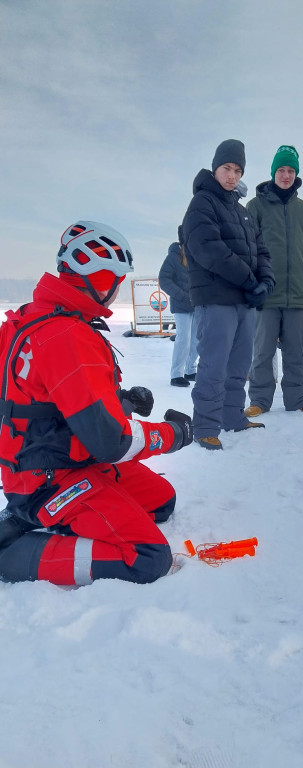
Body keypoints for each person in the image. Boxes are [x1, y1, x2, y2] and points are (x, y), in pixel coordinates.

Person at [0, 221, 194, 586]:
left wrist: (121, 403)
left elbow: (48, 400)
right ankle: (11, 554)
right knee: (148, 557)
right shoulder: (68, 335)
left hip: (55, 462)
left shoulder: (30, 318)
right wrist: (173, 435)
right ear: (103, 281)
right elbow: (111, 443)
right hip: (49, 479)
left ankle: (28, 515)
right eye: (115, 281)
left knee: (160, 501)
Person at [181, 139, 275, 450]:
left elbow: (261, 251)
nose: (232, 175)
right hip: (216, 299)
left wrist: (266, 282)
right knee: (214, 365)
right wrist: (250, 281)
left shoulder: (241, 210)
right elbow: (210, 250)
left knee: (238, 364)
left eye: (237, 170)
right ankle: (205, 427)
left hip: (243, 301)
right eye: (226, 168)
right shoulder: (202, 203)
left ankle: (233, 416)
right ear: (215, 168)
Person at [245, 145, 303, 415]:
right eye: (281, 170)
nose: (286, 175)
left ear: (296, 174)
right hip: (266, 293)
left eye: (291, 170)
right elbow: (247, 250)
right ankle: (259, 400)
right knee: (263, 352)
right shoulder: (254, 207)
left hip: (297, 293)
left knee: (294, 352)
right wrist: (252, 284)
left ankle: (297, 399)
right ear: (273, 173)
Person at [159, 227, 198, 387]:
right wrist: (183, 296)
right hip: (181, 306)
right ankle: (176, 374)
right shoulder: (173, 258)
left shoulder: (197, 256)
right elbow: (164, 279)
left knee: (196, 340)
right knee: (184, 339)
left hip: (197, 305)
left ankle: (190, 370)